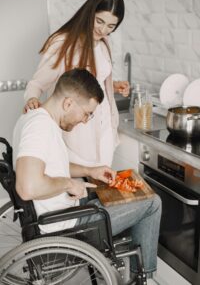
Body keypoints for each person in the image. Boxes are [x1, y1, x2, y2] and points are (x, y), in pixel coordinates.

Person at [14, 68, 161, 277]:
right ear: (68, 103)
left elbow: (52, 165)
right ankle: (144, 275)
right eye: (86, 113)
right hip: (66, 227)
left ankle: (132, 267)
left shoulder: (34, 119)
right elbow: (27, 188)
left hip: (62, 213)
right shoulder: (40, 128)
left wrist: (90, 170)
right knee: (152, 203)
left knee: (124, 195)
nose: (84, 120)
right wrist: (69, 184)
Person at [23, 0, 130, 167]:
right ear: (90, 13)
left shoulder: (104, 43)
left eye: (111, 26)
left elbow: (96, 80)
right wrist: (32, 98)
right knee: (80, 184)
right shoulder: (63, 43)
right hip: (78, 129)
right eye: (100, 21)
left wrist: (115, 85)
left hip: (104, 127)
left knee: (102, 182)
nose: (103, 30)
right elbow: (37, 83)